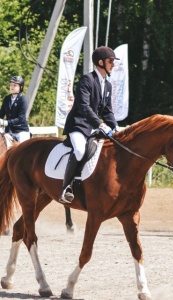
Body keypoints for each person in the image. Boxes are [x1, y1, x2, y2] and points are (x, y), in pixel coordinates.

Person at [59, 46, 120, 204]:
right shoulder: (87, 80)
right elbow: (83, 107)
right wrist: (100, 124)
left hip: (92, 127)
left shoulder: (107, 85)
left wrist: (115, 127)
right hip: (78, 125)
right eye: (110, 61)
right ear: (101, 62)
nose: (113, 64)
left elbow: (107, 111)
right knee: (79, 150)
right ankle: (66, 187)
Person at [0, 76, 30, 142]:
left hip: (21, 131)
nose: (12, 87)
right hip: (9, 131)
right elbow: (1, 114)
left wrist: (5, 122)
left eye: (15, 85)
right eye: (11, 85)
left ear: (21, 87)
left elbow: (21, 119)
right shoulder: (7, 99)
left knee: (23, 150)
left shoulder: (23, 100)